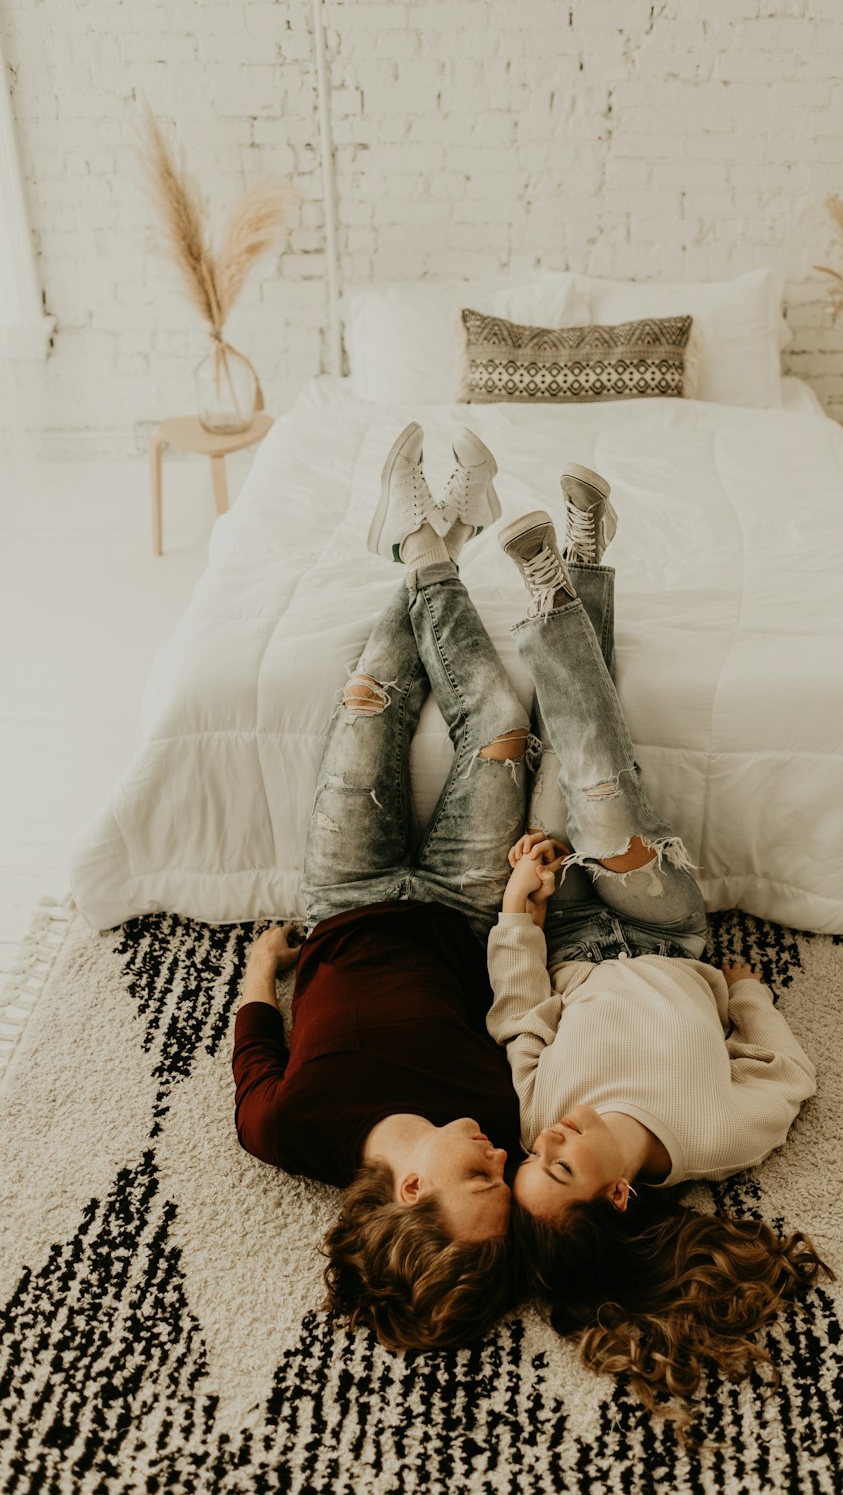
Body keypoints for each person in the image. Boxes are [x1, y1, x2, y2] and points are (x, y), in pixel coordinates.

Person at [486, 469, 830, 1434]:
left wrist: (519, 911)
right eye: (558, 1164)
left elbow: (520, 1015)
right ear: (621, 1191)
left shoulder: (541, 1115)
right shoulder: (717, 1138)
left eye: (534, 1157)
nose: (544, 1141)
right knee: (602, 798)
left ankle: (588, 561)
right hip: (669, 929)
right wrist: (747, 996)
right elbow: (787, 1074)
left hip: (578, 936)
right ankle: (558, 587)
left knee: (570, 766)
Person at [232, 422, 537, 1352]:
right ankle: (428, 541)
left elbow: (256, 1040)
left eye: (478, 1180)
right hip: (460, 899)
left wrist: (262, 966)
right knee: (502, 720)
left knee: (373, 692)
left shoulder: (289, 1130)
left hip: (347, 891)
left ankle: (423, 541)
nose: (499, 1162)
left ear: (412, 1189)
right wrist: (525, 903)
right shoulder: (505, 1125)